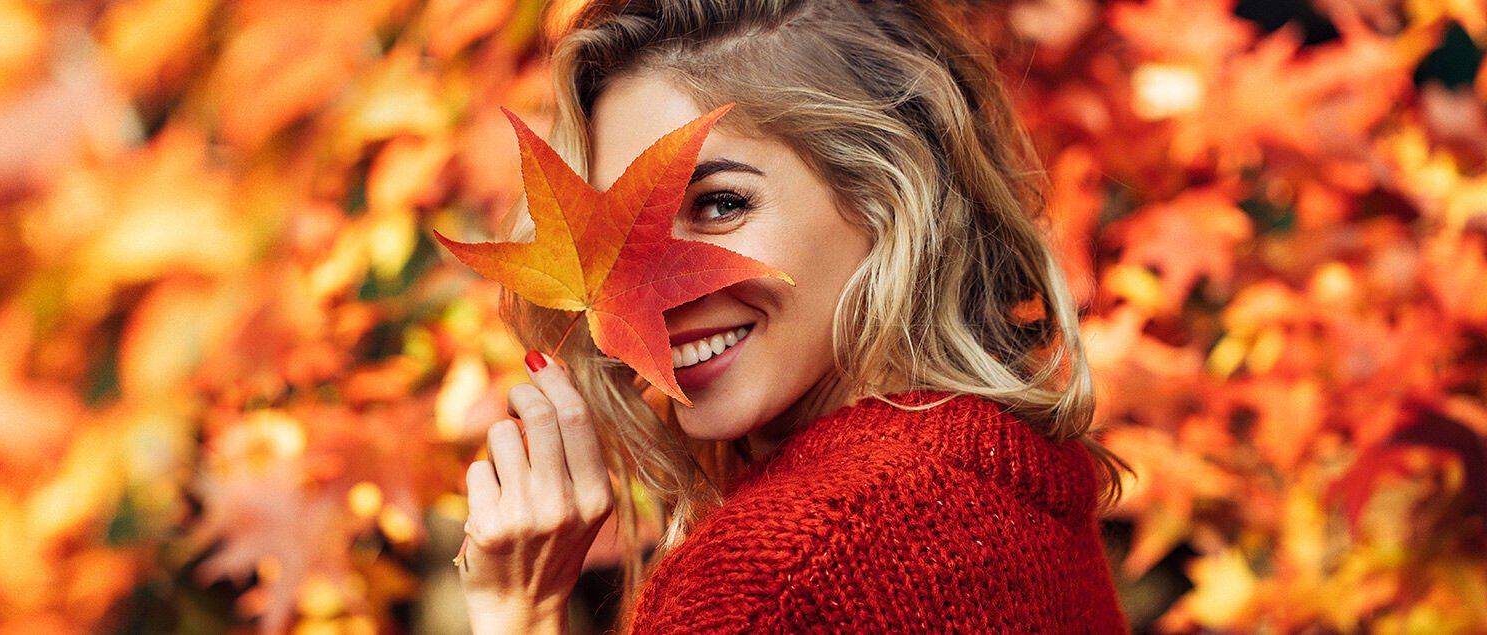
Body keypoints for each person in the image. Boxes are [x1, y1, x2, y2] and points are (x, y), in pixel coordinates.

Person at [454, 0, 1130, 631]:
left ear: (887, 190)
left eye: (720, 204)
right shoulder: (1017, 469)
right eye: (621, 236)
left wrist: (520, 608)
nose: (651, 287)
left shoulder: (774, 574)